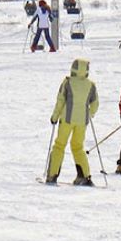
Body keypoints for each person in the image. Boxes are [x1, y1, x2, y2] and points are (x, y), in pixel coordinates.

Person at [45, 58, 99, 186]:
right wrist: (89, 115)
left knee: (59, 145)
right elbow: (95, 103)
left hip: (67, 120)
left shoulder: (67, 82)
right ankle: (85, 176)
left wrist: (54, 117)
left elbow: (60, 100)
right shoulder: (90, 85)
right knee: (78, 147)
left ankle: (52, 175)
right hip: (82, 122)